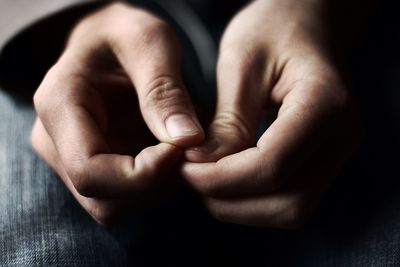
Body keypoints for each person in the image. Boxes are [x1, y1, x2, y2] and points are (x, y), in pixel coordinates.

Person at [3, 0, 397, 266]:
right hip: (64, 33)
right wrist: (68, 23)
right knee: (37, 240)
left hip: (347, 28)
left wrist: (318, 8)